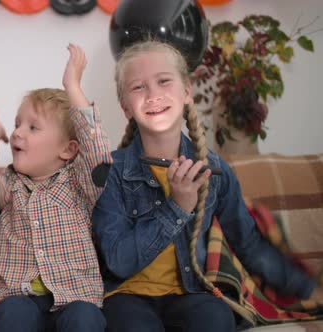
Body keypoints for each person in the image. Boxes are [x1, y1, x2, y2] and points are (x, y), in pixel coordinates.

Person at [92, 39, 323, 332]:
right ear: (126, 107)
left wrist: (304, 288)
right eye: (138, 87)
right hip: (125, 295)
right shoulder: (110, 171)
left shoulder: (215, 172)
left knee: (215, 318)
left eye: (164, 81)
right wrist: (177, 208)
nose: (153, 95)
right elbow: (119, 261)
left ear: (186, 91)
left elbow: (248, 244)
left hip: (190, 292)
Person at [0, 44, 111, 332]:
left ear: (68, 150)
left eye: (33, 127)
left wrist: (73, 86)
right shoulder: (10, 186)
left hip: (74, 296)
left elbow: (97, 154)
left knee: (86, 319)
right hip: (17, 297)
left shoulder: (79, 184)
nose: (18, 132)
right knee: (14, 316)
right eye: (18, 124)